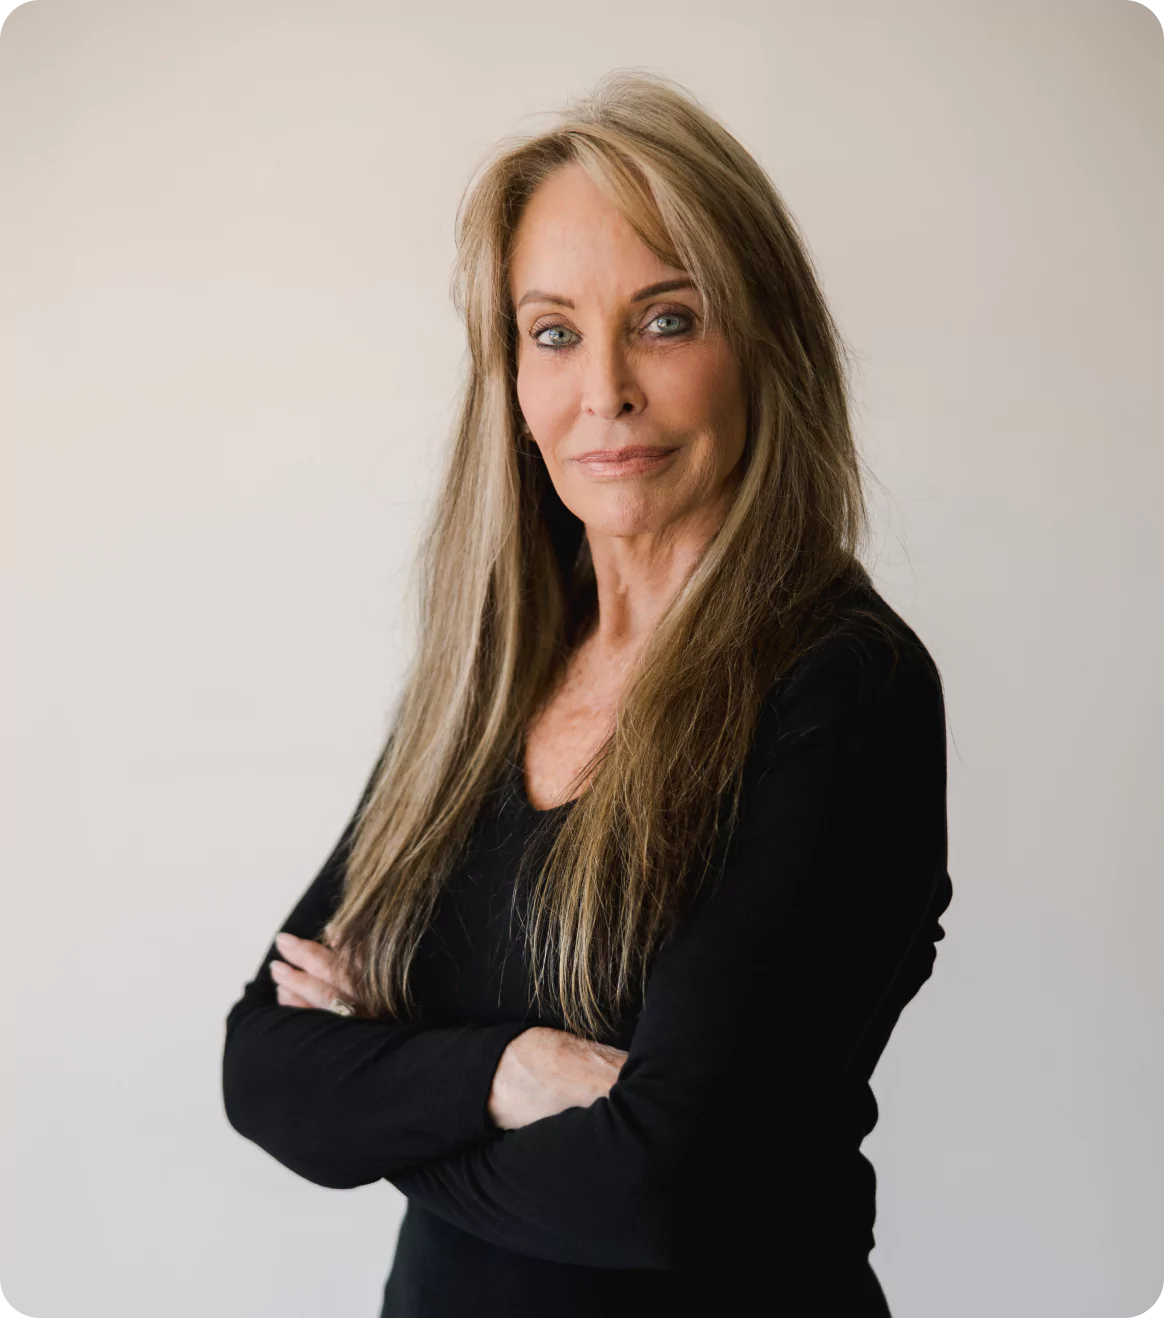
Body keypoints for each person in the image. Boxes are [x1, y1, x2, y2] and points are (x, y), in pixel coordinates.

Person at [221, 69, 953, 1317]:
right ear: (508, 375)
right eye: (553, 331)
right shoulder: (490, 669)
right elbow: (264, 1063)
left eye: (666, 319)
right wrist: (512, 1069)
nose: (603, 386)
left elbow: (663, 1186)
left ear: (762, 339)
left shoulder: (846, 687)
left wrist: (386, 1096)